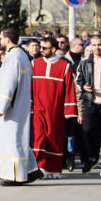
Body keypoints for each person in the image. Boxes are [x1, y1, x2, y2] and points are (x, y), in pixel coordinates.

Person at [0, 27, 43, 186]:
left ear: (7, 39)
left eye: (1, 38)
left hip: (12, 107)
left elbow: (8, 84)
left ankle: (14, 175)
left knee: (12, 140)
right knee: (19, 138)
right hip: (20, 103)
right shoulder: (21, 54)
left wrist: (1, 106)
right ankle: (31, 170)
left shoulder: (13, 57)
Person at [30, 36, 77, 178]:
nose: (41, 50)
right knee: (38, 137)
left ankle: (53, 169)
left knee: (54, 138)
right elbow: (29, 88)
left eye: (44, 48)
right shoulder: (34, 64)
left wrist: (69, 110)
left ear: (54, 49)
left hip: (55, 111)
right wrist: (30, 105)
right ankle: (39, 167)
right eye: (40, 47)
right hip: (38, 109)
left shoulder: (64, 66)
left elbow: (69, 89)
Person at [76, 34, 101, 176]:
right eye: (94, 44)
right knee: (86, 130)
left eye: (99, 44)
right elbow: (78, 80)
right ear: (90, 46)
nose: (97, 47)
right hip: (90, 102)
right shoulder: (84, 63)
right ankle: (91, 158)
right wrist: (83, 87)